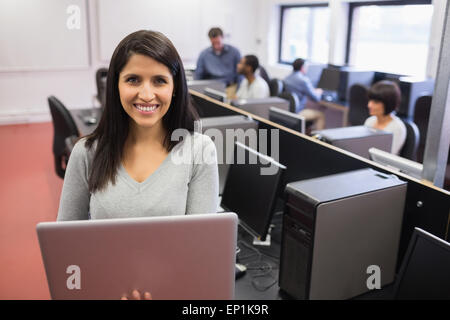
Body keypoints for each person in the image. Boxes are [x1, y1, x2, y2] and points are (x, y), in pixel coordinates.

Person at [364, 80, 407, 155]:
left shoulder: (397, 128)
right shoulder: (369, 121)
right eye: (370, 100)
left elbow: (388, 157)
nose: (369, 105)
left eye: (375, 102)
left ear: (388, 103)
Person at [283, 58, 325, 130]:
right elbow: (316, 98)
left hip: (288, 110)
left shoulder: (286, 78)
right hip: (298, 112)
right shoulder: (303, 80)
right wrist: (319, 92)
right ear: (302, 67)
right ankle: (318, 139)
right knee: (320, 115)